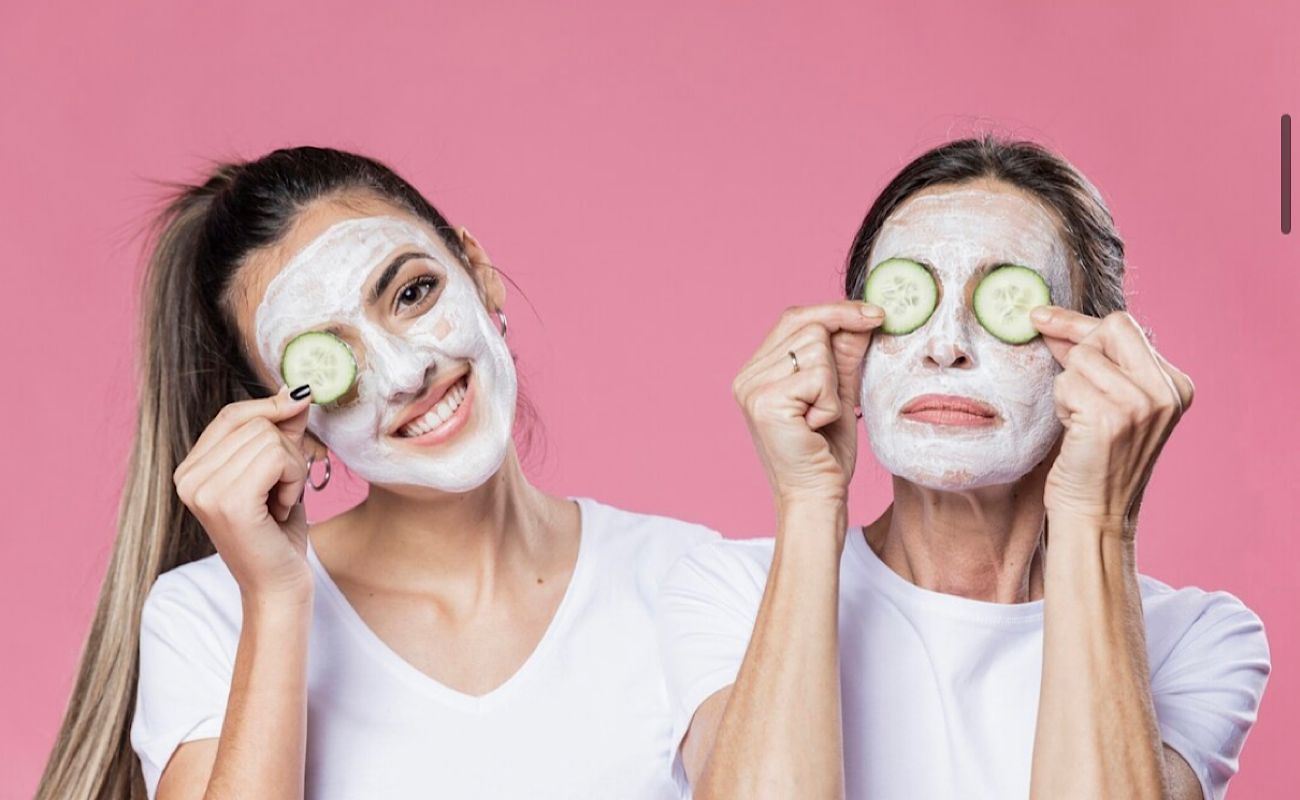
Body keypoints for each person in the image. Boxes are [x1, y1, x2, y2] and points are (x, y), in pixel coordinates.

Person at [37, 146, 719, 800]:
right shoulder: (211, 616)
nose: (405, 373)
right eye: (325, 361)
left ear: (477, 271)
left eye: (413, 292)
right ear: (286, 417)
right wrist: (276, 602)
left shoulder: (686, 576)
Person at [655, 135, 1270, 800]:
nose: (946, 345)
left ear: (1093, 358)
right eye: (909, 301)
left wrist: (1099, 522)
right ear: (853, 348)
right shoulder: (731, 593)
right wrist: (809, 501)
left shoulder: (1196, 638)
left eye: (1001, 306)